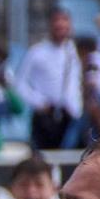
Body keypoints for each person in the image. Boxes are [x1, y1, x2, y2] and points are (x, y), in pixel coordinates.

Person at [16, 8, 82, 151]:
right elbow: (20, 83)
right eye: (57, 21)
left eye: (64, 20)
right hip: (46, 116)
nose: (60, 25)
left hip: (70, 115)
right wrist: (39, 102)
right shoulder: (37, 52)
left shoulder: (73, 51)